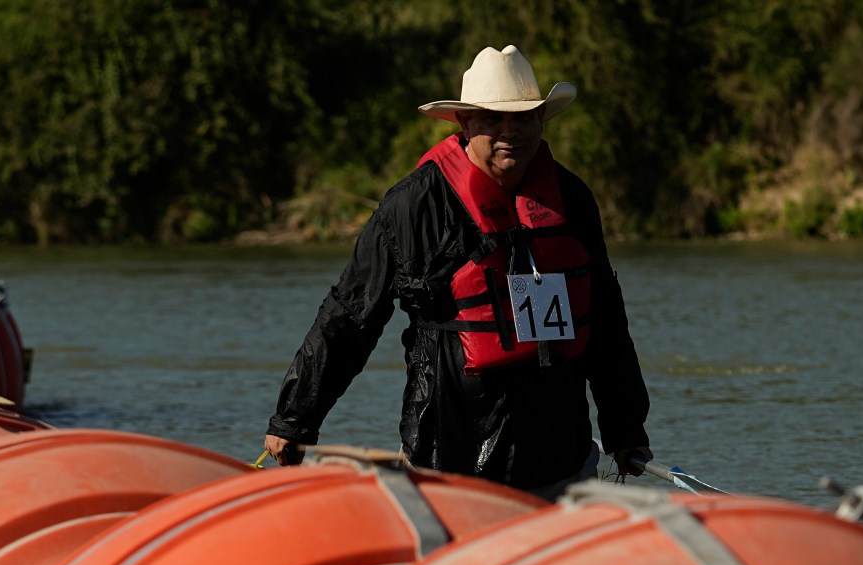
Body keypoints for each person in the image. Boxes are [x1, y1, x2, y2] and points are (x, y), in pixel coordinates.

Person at [262, 45, 651, 497]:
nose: (511, 132)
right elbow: (350, 316)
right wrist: (295, 418)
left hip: (559, 456)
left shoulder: (570, 198)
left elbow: (605, 320)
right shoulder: (413, 206)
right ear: (465, 124)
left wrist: (625, 430)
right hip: (447, 455)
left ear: (541, 120)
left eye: (523, 117)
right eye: (492, 119)